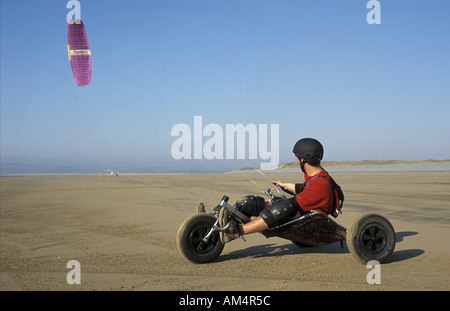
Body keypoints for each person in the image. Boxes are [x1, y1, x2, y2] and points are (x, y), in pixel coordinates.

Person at [219, 138, 337, 243]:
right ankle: (224, 221)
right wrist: (285, 185)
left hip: (312, 222)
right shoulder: (317, 176)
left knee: (282, 208)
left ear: (302, 159)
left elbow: (296, 202)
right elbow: (305, 188)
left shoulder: (320, 184)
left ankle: (236, 231)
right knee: (251, 202)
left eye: (297, 157)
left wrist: (275, 203)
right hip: (304, 213)